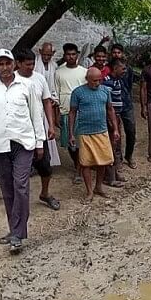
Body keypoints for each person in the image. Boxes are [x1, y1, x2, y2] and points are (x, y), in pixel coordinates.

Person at [0, 49, 45, 253]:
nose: (5, 68)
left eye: (8, 64)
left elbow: (36, 113)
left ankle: (17, 233)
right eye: (0, 64)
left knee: (21, 185)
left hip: (23, 143)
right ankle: (14, 230)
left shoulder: (27, 85)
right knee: (7, 188)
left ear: (14, 64)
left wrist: (39, 142)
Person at [14, 49, 60, 210]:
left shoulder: (39, 78)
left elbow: (47, 102)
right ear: (18, 63)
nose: (31, 67)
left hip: (39, 130)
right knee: (20, 168)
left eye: (33, 63)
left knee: (45, 165)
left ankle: (45, 193)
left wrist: (51, 125)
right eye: (27, 64)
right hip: (19, 132)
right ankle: (18, 200)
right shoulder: (12, 80)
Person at [69, 68, 120, 201]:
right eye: (94, 81)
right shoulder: (78, 92)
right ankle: (89, 191)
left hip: (102, 131)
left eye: (99, 80)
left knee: (103, 162)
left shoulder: (105, 91)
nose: (97, 83)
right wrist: (71, 133)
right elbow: (72, 112)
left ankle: (98, 187)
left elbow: (110, 110)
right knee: (86, 163)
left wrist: (115, 129)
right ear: (87, 79)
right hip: (85, 133)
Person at [55, 43, 87, 179]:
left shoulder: (84, 72)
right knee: (70, 143)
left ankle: (80, 170)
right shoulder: (59, 72)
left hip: (82, 112)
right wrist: (57, 114)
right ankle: (77, 164)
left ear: (77, 55)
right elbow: (56, 94)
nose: (71, 57)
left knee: (81, 143)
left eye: (73, 54)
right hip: (65, 111)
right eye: (68, 54)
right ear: (64, 56)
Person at [109, 43, 137, 168]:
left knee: (131, 131)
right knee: (116, 133)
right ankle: (117, 159)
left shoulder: (128, 69)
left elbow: (130, 86)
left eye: (118, 52)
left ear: (122, 53)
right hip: (113, 107)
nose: (116, 55)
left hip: (127, 105)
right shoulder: (107, 69)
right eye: (114, 52)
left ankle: (129, 156)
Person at [102, 59, 128, 187]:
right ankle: (110, 178)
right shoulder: (107, 81)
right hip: (110, 117)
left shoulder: (117, 80)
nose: (125, 71)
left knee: (116, 146)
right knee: (111, 147)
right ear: (115, 68)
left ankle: (115, 174)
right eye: (122, 68)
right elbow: (107, 105)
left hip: (116, 116)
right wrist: (112, 121)